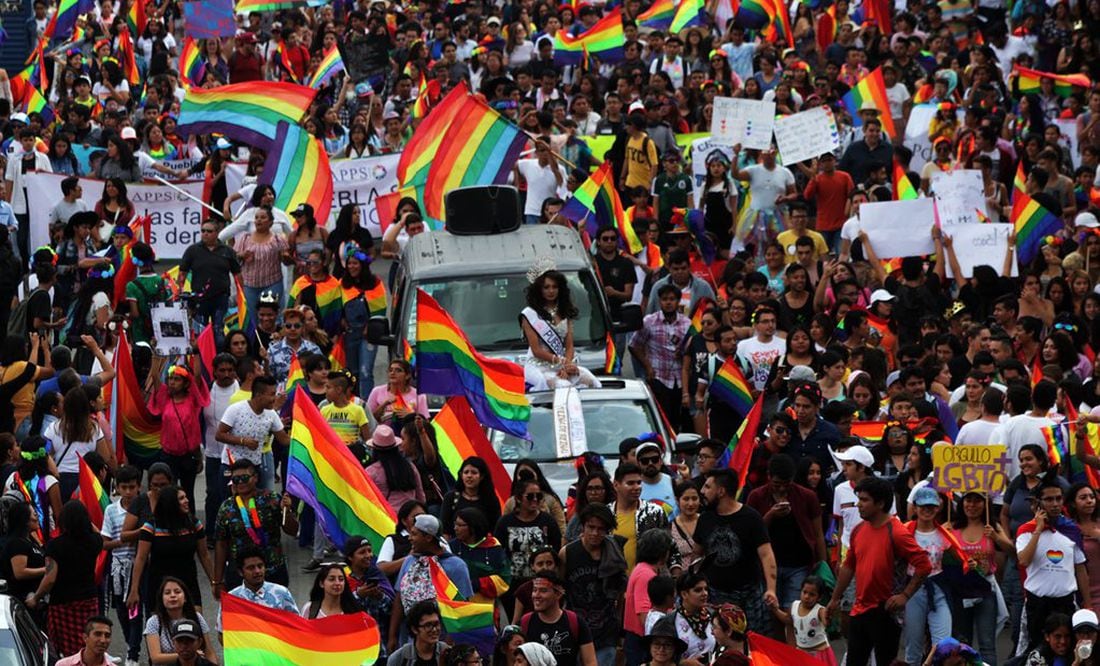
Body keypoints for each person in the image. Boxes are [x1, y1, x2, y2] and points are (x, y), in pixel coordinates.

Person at [826, 477, 933, 666]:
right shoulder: (859, 530)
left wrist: (905, 595)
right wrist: (834, 599)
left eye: (864, 500)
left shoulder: (897, 532)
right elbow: (848, 567)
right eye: (859, 499)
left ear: (881, 503)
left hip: (886, 611)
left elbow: (924, 565)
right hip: (860, 608)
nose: (858, 505)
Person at [694, 468, 778, 633]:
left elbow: (766, 555)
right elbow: (697, 553)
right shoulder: (705, 518)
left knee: (754, 642)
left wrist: (771, 589)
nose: (702, 491)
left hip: (750, 595)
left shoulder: (751, 518)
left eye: (707, 487)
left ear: (721, 491)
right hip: (716, 595)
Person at [1017, 476, 1091, 651]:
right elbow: (1024, 560)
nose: (1055, 504)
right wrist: (1038, 529)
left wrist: (1087, 604)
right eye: (1049, 499)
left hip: (1065, 604)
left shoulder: (1071, 530)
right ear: (1039, 503)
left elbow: (1080, 569)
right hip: (1038, 604)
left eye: (1058, 498)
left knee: (1068, 650)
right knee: (1036, 652)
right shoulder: (1026, 530)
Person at [745, 454, 827, 609]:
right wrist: (770, 515)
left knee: (793, 609)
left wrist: (822, 564)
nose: (782, 488)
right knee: (771, 608)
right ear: (768, 476)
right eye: (776, 484)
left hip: (799, 565)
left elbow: (818, 534)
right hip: (768, 564)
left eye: (786, 484)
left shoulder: (807, 496)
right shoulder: (756, 496)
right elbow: (751, 532)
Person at [26, 500, 105, 658]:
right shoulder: (95, 542)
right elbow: (97, 533)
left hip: (63, 603)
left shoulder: (55, 546)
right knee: (89, 644)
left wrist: (35, 598)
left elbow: (50, 578)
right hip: (89, 600)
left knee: (69, 652)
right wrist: (83, 520)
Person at [127, 486, 216, 616]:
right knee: (159, 630)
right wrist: (134, 590)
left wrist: (215, 582)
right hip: (159, 586)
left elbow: (204, 555)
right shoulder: (151, 527)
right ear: (171, 503)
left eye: (186, 497)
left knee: (194, 628)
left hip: (188, 584)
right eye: (181, 498)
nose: (187, 501)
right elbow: (141, 558)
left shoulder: (194, 524)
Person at [212, 459, 298, 593]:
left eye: (245, 478)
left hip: (272, 571)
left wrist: (287, 511)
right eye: (236, 479)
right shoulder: (226, 507)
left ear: (255, 478)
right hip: (239, 575)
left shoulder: (272, 499)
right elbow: (221, 544)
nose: (240, 482)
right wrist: (217, 581)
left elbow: (292, 530)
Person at [389, 514, 473, 650]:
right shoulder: (409, 561)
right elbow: (399, 599)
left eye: (414, 534)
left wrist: (448, 644)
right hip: (411, 643)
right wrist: (392, 636)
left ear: (428, 537)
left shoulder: (456, 566)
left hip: (443, 641)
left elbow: (462, 607)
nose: (410, 538)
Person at [559, 503, 627, 666]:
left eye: (601, 529)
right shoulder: (568, 553)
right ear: (583, 526)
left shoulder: (614, 552)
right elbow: (559, 590)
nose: (595, 533)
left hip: (606, 630)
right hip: (575, 628)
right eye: (591, 527)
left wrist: (618, 624)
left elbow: (620, 591)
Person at [521, 268, 600, 389]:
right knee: (563, 386)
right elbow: (536, 350)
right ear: (539, 290)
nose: (551, 291)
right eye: (546, 287)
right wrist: (560, 362)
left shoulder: (564, 312)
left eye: (554, 287)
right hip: (538, 366)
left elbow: (569, 346)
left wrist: (567, 366)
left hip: (561, 364)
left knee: (589, 381)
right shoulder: (530, 315)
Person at [146, 363, 209, 513]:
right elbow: (155, 376)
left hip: (189, 456)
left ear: (186, 383)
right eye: (170, 379)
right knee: (168, 494)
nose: (172, 382)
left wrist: (195, 353)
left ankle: (191, 526)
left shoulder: (192, 399)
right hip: (168, 456)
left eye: (177, 379)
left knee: (187, 494)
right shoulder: (164, 398)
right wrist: (156, 354)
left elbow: (198, 377)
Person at [216, 375, 289, 491]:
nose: (275, 399)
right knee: (232, 506)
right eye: (271, 394)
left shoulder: (271, 414)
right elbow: (219, 435)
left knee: (254, 507)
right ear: (259, 395)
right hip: (231, 468)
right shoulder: (235, 409)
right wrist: (243, 441)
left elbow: (285, 440)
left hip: (254, 470)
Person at [100, 464, 141, 664]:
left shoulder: (144, 508)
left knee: (136, 610)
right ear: (117, 488)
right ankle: (130, 644)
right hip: (118, 569)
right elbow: (105, 543)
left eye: (132, 487)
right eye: (123, 487)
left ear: (139, 487)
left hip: (139, 567)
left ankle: (133, 653)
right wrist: (125, 540)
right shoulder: (111, 510)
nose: (128, 492)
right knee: (123, 612)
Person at [178, 220, 241, 349]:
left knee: (218, 330)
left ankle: (220, 358)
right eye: (203, 231)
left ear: (217, 233)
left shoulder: (228, 251)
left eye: (209, 231)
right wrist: (180, 290)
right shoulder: (192, 250)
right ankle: (202, 358)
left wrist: (242, 294)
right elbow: (182, 273)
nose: (205, 234)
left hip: (221, 297)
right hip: (199, 299)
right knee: (200, 331)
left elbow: (237, 274)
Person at [519, 572, 597, 666]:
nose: (536, 595)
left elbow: (590, 662)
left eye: (543, 591)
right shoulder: (525, 622)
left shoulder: (575, 622)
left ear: (558, 594)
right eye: (534, 590)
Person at [142, 577, 217, 665]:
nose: (173, 595)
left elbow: (209, 652)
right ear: (161, 599)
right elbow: (155, 658)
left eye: (177, 592)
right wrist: (188, 654)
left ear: (185, 598)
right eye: (167, 593)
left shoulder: (197, 617)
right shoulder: (154, 621)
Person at [365, 424, 426, 515]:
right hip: (410, 519)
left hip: (385, 519)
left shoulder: (371, 472)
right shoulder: (410, 466)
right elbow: (421, 498)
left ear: (374, 449)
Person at [440, 457, 503, 538]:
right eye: (466, 472)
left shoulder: (490, 500)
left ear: (482, 476)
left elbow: (495, 529)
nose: (469, 476)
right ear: (461, 475)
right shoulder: (451, 498)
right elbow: (445, 529)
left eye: (474, 472)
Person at [387, 600, 448, 666]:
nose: (434, 629)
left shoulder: (447, 653)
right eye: (428, 625)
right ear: (414, 629)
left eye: (436, 624)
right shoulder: (399, 658)